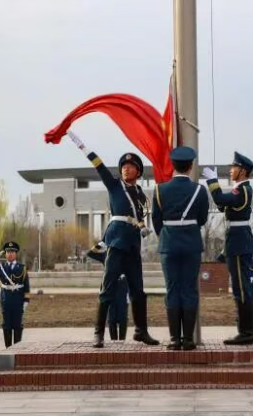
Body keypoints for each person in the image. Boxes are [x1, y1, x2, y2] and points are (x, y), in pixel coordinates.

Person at [68, 130, 158, 348]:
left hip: (133, 245)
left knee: (138, 291)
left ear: (138, 171)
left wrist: (143, 227)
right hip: (116, 243)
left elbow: (140, 216)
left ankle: (141, 331)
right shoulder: (115, 185)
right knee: (107, 288)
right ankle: (98, 333)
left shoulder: (141, 194)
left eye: (130, 166)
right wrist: (83, 147)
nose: (126, 169)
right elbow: (99, 167)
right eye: (123, 166)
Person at [151, 146, 209, 350]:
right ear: (191, 166)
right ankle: (188, 340)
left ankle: (175, 339)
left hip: (169, 244)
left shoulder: (159, 189)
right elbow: (202, 219)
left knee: (172, 289)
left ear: (173, 166)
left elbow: (156, 220)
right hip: (191, 244)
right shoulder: (200, 190)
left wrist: (168, 235)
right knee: (189, 289)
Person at [202, 151, 253, 345]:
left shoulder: (242, 190)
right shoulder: (239, 190)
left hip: (239, 243)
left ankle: (247, 333)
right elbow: (222, 205)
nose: (231, 170)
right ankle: (247, 331)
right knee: (241, 288)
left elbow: (220, 199)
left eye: (234, 167)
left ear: (243, 171)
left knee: (241, 289)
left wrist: (212, 181)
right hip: (237, 242)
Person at [0, 241, 30, 348]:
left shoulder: (22, 268)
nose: (10, 254)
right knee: (6, 325)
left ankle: (17, 350)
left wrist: (26, 301)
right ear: (5, 254)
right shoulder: (1, 267)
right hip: (6, 299)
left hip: (18, 300)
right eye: (8, 252)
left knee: (17, 325)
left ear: (16, 254)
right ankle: (8, 350)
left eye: (12, 252)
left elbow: (26, 286)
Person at [86, 242, 130, 341]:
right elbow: (90, 253)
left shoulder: (127, 252)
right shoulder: (106, 254)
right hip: (109, 287)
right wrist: (102, 243)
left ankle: (122, 342)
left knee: (123, 317)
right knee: (111, 318)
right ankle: (114, 342)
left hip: (123, 287)